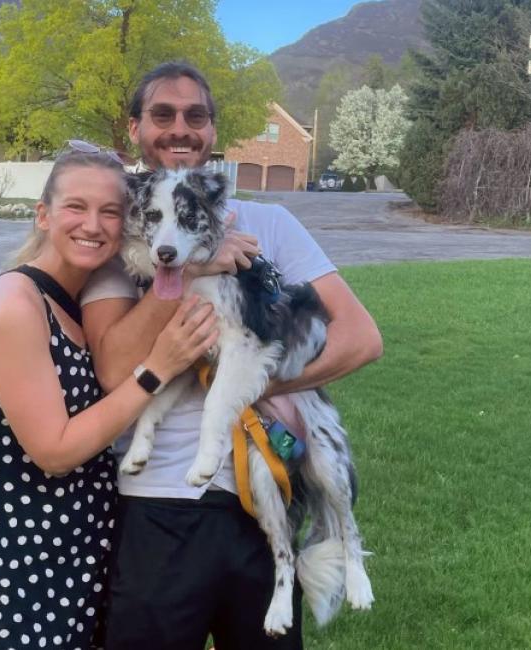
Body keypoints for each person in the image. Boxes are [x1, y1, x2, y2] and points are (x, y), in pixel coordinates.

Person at [80, 62, 384, 649]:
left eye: (196, 116)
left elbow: (361, 338)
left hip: (262, 493)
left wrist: (257, 386)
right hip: (156, 506)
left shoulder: (270, 224)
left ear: (213, 131)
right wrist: (196, 262)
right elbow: (113, 371)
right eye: (162, 115)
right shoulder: (118, 243)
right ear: (135, 128)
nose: (180, 129)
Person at [0, 148, 219, 650]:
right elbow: (53, 451)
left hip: (87, 556)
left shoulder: (73, 302)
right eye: (76, 207)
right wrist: (157, 370)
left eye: (111, 212)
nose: (93, 225)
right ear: (43, 214)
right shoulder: (15, 305)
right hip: (24, 574)